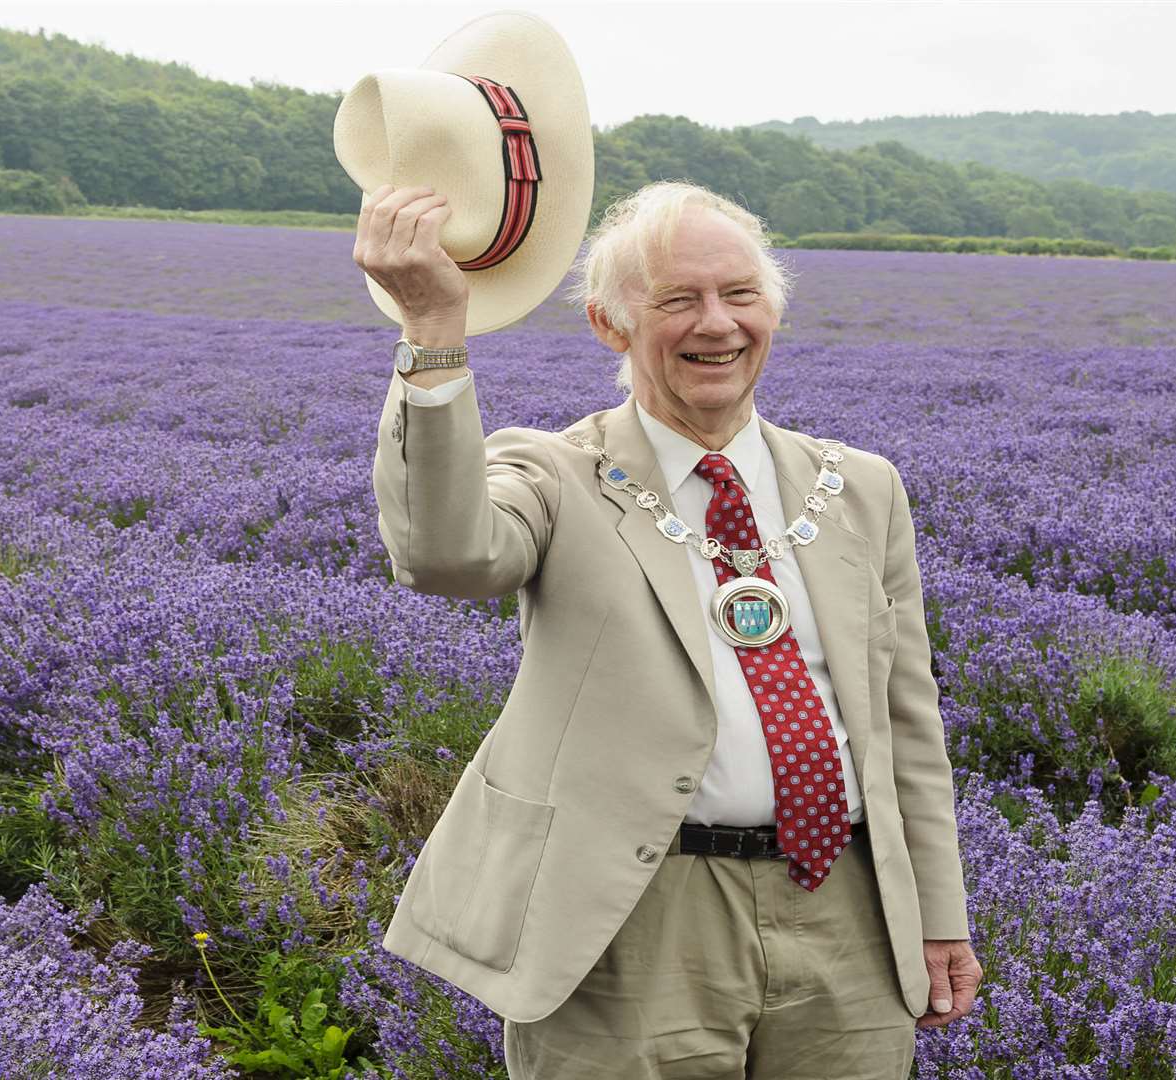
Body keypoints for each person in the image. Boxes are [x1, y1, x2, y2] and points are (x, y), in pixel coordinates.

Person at [339, 14, 980, 1080]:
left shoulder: (862, 488)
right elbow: (446, 555)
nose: (716, 324)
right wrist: (434, 340)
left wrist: (938, 915)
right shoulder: (554, 472)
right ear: (609, 323)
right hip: (631, 919)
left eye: (740, 295)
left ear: (774, 310)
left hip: (848, 919)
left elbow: (906, 721)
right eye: (676, 299)